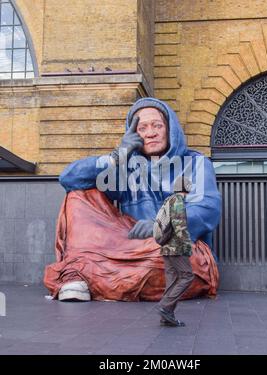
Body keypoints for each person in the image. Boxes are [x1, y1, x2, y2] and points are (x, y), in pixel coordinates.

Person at [44, 97, 221, 302]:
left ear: (170, 128)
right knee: (79, 195)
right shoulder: (127, 167)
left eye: (157, 125)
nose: (151, 132)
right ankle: (98, 274)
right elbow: (69, 178)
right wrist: (116, 156)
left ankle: (91, 275)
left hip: (176, 247)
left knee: (171, 259)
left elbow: (207, 209)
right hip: (128, 247)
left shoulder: (194, 163)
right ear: (133, 134)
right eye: (142, 127)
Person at [154, 176, 194, 327]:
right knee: (187, 276)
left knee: (172, 280)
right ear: (186, 187)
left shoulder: (168, 200)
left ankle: (167, 316)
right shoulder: (177, 200)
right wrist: (188, 245)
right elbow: (179, 226)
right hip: (176, 248)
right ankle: (165, 306)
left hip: (166, 248)